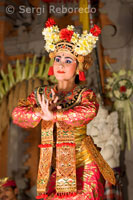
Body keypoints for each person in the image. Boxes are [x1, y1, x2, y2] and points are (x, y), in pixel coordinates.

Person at [12, 18, 116, 200]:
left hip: (84, 165)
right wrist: (39, 112)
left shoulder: (85, 94)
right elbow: (18, 115)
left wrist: (54, 115)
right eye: (58, 59)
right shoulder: (41, 93)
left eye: (68, 60)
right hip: (57, 167)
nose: (61, 64)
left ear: (78, 67)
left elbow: (88, 112)